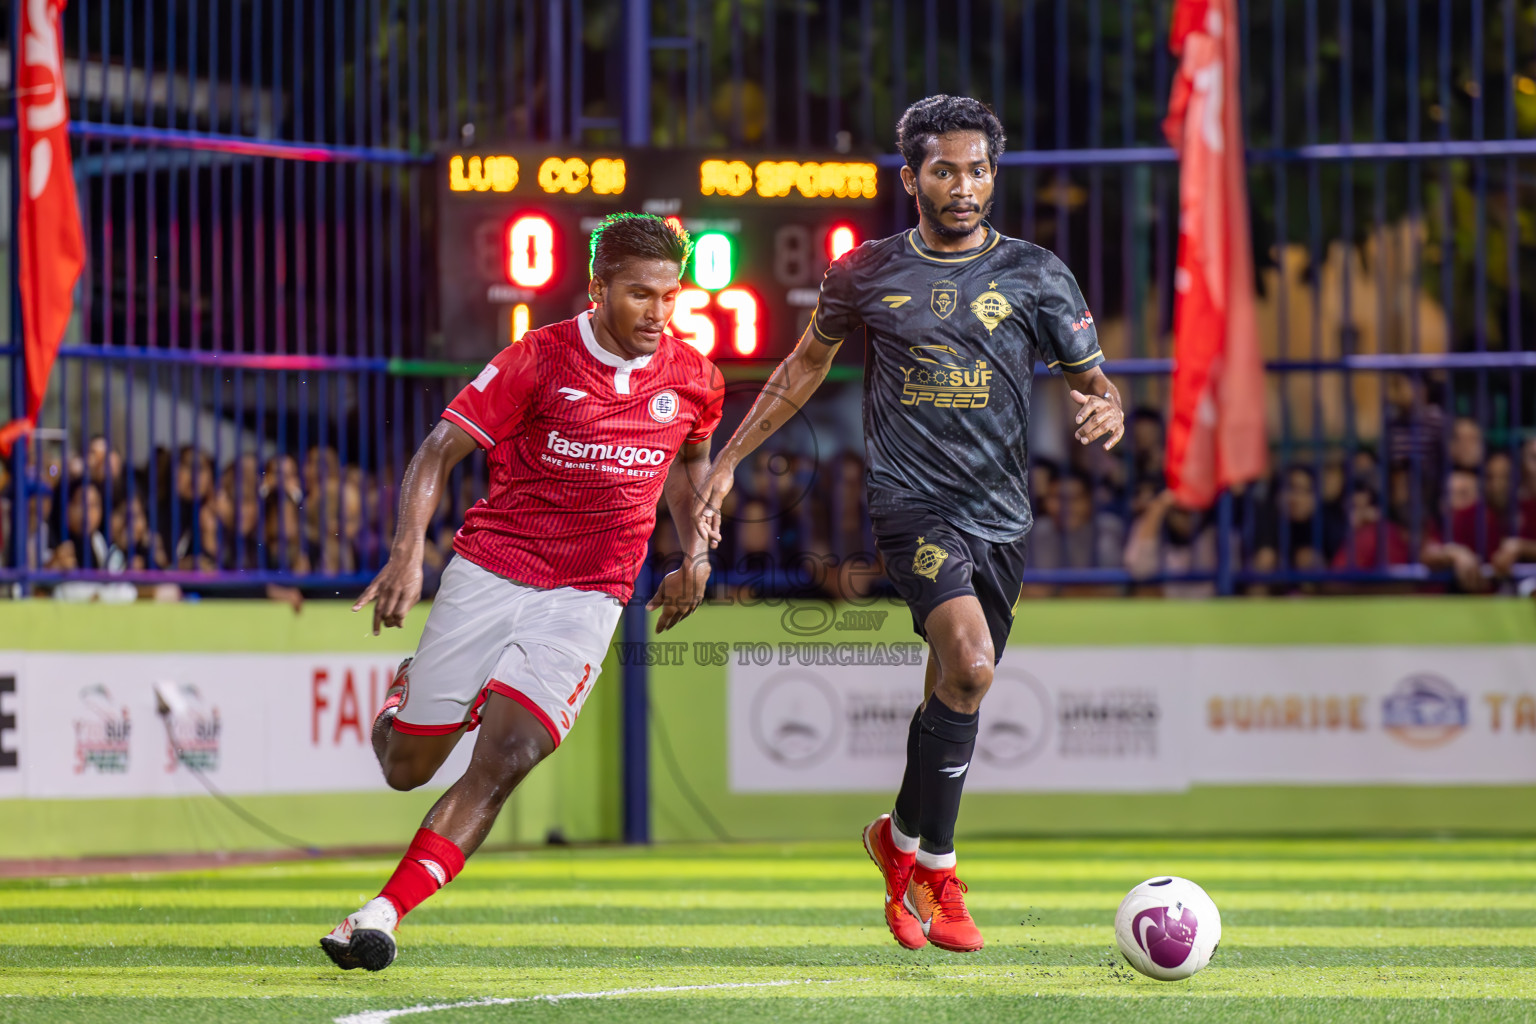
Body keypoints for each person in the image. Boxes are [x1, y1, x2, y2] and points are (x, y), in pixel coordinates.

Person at [694, 96, 1124, 954]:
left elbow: (1094, 385)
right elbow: (802, 367)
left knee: (951, 690)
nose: (962, 186)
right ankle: (940, 868)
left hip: (1001, 517)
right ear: (912, 179)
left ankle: (894, 841)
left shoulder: (1037, 275)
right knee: (970, 665)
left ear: (993, 177)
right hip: (911, 505)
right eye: (944, 170)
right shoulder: (864, 272)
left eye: (976, 170)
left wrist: (1105, 411)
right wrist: (730, 459)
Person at [320, 213, 723, 972]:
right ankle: (405, 700)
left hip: (590, 595)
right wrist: (409, 554)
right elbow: (438, 450)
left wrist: (697, 553)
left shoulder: (695, 377)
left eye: (670, 297)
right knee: (406, 768)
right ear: (598, 289)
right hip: (493, 571)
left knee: (509, 756)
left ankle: (382, 912)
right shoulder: (538, 357)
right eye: (640, 295)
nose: (658, 313)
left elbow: (690, 466)